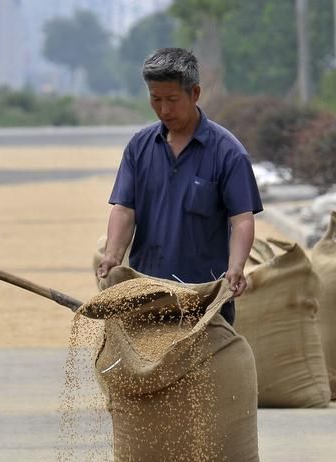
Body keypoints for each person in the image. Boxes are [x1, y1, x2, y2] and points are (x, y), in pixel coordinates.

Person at [96, 48, 262, 326]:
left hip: (205, 301)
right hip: (147, 296)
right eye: (155, 99)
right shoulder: (140, 146)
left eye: (172, 99)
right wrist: (112, 254)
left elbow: (242, 219)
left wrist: (236, 267)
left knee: (206, 370)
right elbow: (125, 209)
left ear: (194, 93)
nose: (164, 109)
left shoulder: (228, 153)